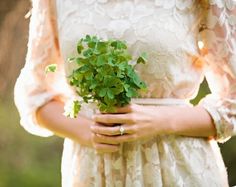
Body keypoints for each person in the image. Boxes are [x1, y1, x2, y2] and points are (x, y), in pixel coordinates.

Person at [14, 0, 236, 186]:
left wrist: (162, 120)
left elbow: (232, 102)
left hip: (177, 168)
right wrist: (87, 131)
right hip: (91, 173)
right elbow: (36, 96)